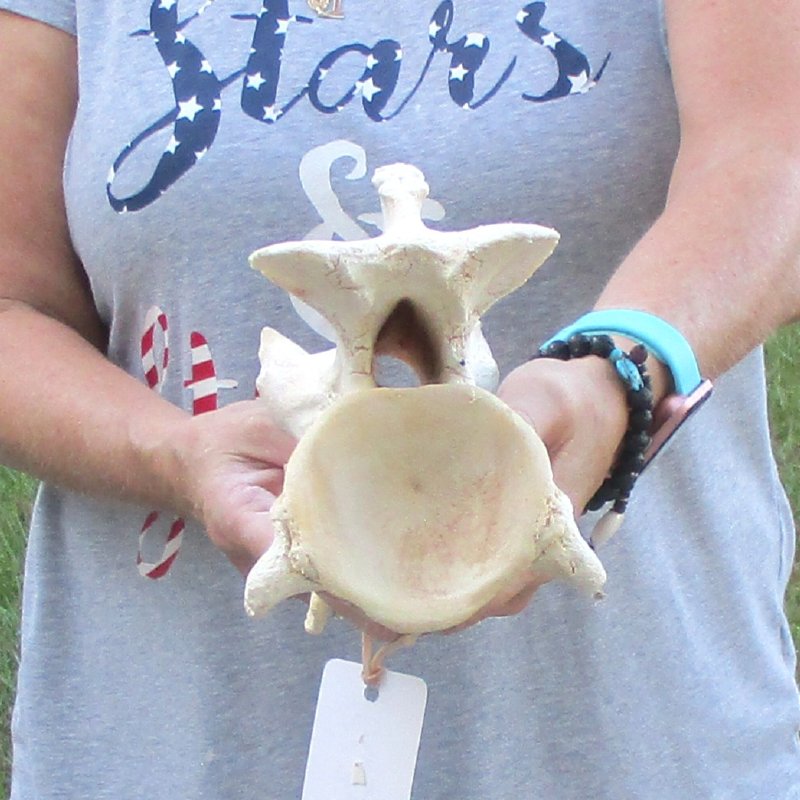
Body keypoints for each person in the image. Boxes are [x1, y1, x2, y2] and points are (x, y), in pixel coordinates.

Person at [2, 1, 799, 797]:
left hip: (631, 739)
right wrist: (172, 455)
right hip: (172, 739)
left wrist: (614, 370)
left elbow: (774, 158)